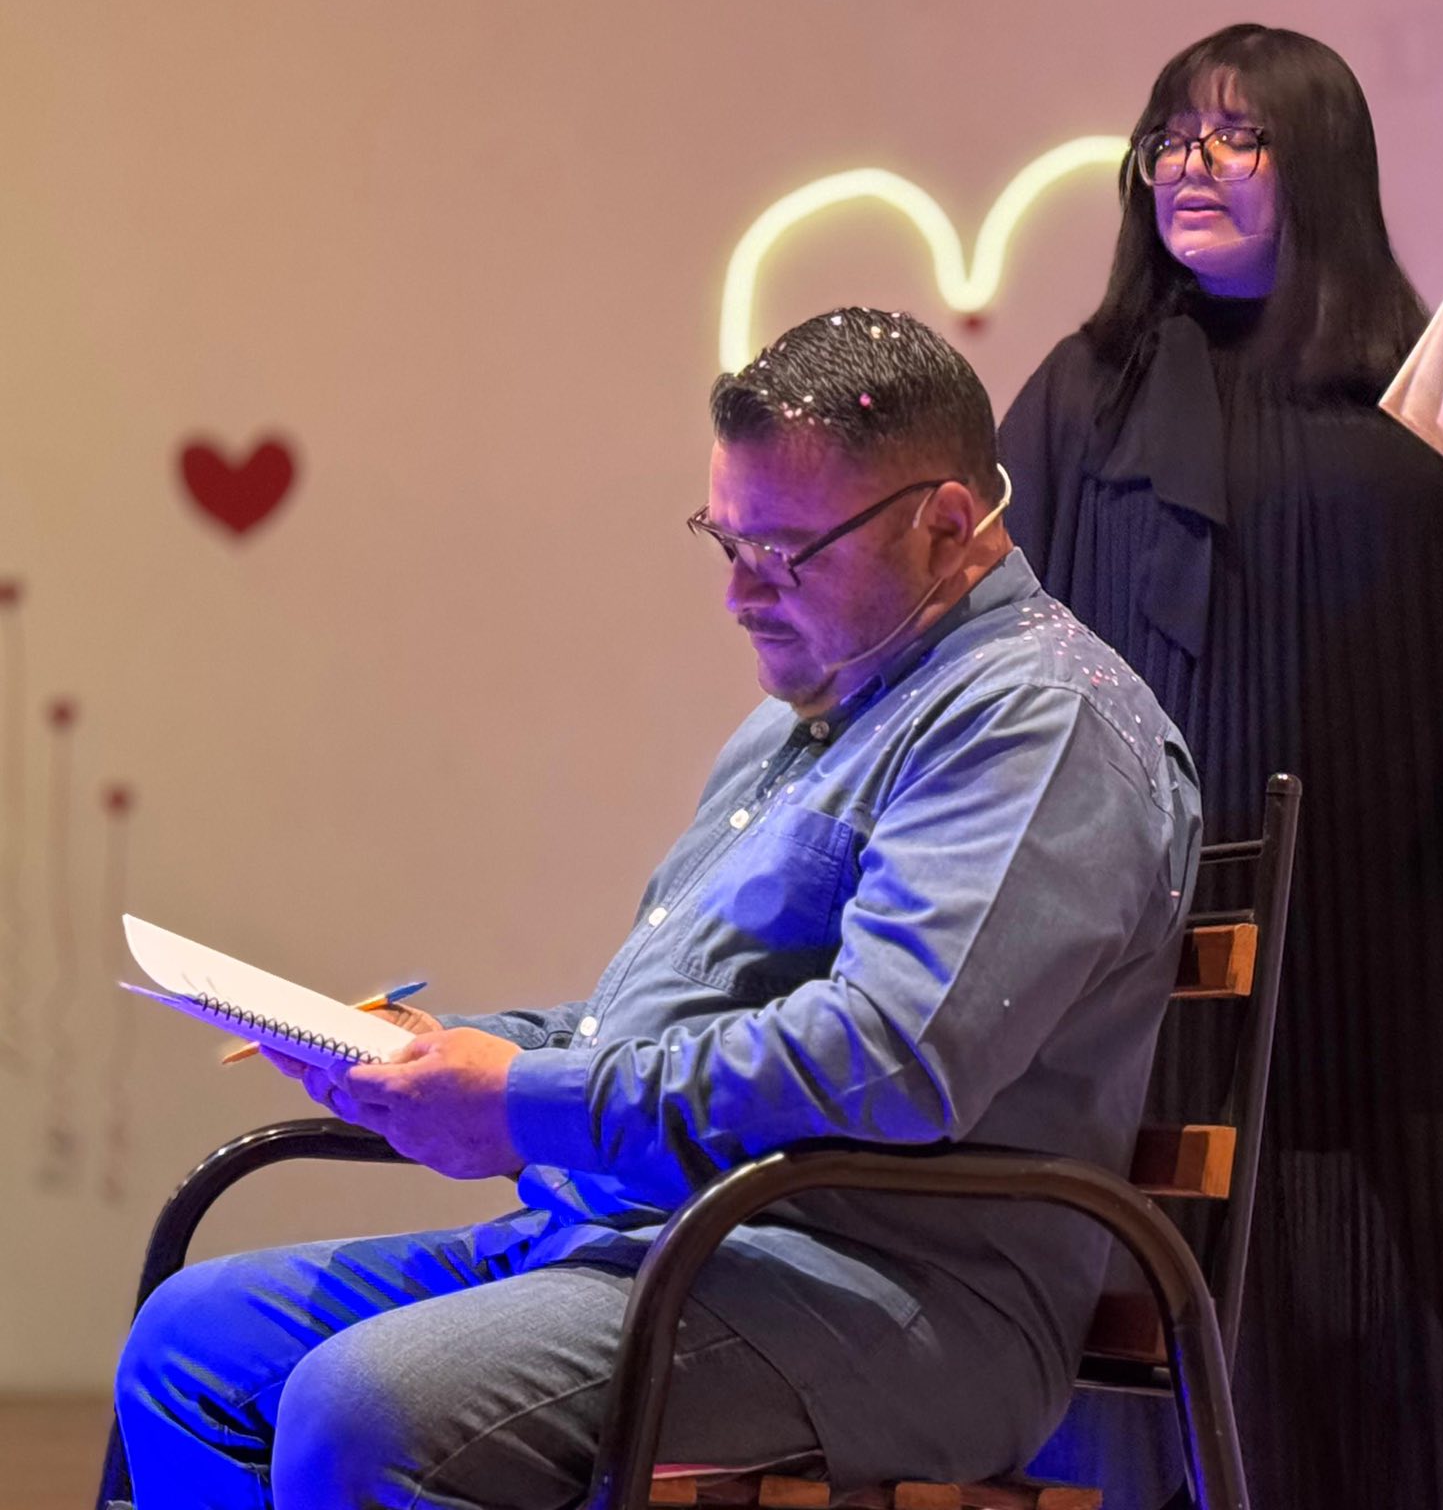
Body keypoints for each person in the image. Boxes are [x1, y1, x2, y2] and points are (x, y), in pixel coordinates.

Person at [112, 309, 1202, 1509]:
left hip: (886, 1292)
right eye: (722, 540)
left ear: (946, 525)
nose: (737, 593)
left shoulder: (1034, 723)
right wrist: (452, 1056)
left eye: (781, 552)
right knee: (193, 1345)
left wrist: (522, 1104)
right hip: (673, 1244)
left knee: (361, 1404)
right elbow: (668, 1020)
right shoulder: (804, 718)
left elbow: (889, 1060)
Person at [1003, 24, 1443, 1510]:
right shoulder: (1082, 398)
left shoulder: (1425, 407)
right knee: (1188, 1347)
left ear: (1324, 168)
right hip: (1157, 961)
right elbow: (998, 658)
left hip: (1392, 958)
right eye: (1170, 137)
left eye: (1238, 136)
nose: (1191, 165)